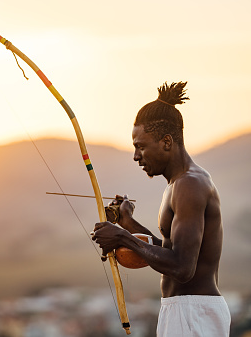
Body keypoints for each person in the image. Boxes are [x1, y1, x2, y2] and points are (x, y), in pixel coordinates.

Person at [91, 82, 231, 336]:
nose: (136, 156)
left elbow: (182, 268)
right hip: (185, 311)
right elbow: (173, 251)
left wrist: (121, 237)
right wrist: (128, 225)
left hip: (193, 312)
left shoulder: (189, 184)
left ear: (166, 142)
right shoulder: (179, 184)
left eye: (141, 146)